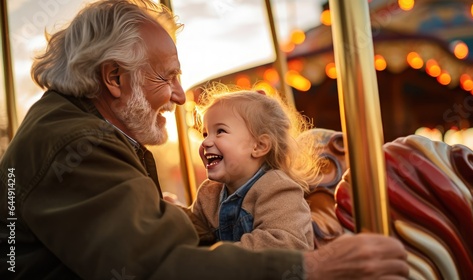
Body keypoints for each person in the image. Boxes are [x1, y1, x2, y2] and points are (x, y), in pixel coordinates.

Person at [0, 0, 409, 279]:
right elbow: (155, 267)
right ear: (114, 78)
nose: (179, 96)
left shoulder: (68, 130)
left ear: (260, 145)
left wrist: (163, 216)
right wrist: (310, 270)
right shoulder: (75, 145)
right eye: (167, 76)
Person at [189, 87, 321, 250]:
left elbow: (284, 245)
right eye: (205, 134)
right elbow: (191, 235)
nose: (206, 142)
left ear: (259, 146)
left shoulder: (279, 189)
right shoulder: (208, 194)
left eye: (220, 131)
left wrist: (216, 257)